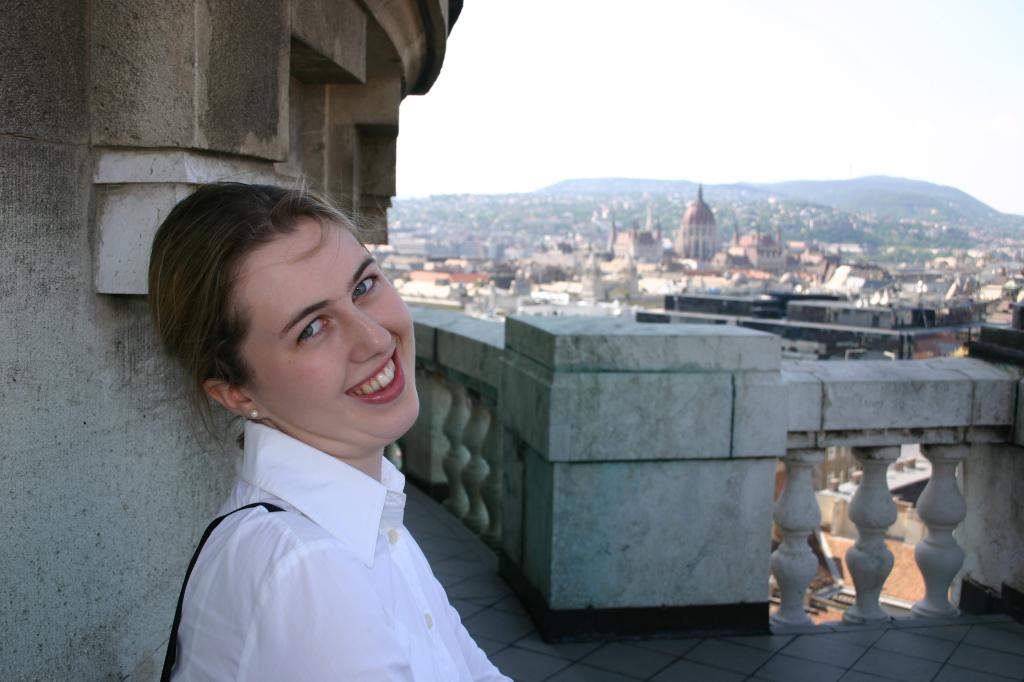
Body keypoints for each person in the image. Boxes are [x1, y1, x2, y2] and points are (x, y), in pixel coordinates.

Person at [149, 183, 510, 681]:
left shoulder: (362, 519)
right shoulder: (307, 568)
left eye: (363, 287)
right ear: (235, 393)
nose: (375, 338)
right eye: (312, 328)